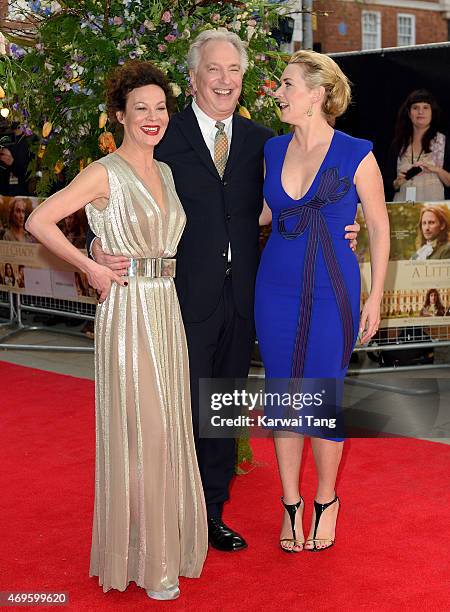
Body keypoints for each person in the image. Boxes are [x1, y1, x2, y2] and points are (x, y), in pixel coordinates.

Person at [87, 28, 361, 552]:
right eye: (213, 69)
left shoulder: (266, 142)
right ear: (192, 79)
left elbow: (297, 200)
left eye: (233, 70)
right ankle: (166, 511)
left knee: (223, 409)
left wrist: (349, 226)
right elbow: (113, 188)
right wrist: (100, 243)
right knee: (174, 406)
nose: (224, 80)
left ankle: (211, 512)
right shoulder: (161, 132)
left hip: (247, 298)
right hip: (178, 296)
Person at [26, 60, 207, 601]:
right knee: (145, 432)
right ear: (121, 116)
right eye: (140, 109)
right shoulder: (104, 172)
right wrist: (93, 266)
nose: (152, 118)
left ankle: (155, 551)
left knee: (169, 428)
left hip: (165, 308)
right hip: (128, 314)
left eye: (159, 108)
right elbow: (39, 220)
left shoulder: (168, 172)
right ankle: (151, 565)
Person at [255, 50, 390, 552]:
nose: (279, 93)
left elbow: (377, 225)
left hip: (334, 288)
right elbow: (265, 214)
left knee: (322, 398)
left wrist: (375, 294)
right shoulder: (271, 150)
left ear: (317, 94)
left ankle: (326, 499)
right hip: (275, 288)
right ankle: (290, 504)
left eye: (287, 84)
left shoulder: (356, 151)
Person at [392, 90, 450, 202]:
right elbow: (387, 183)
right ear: (409, 113)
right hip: (402, 207)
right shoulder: (398, 144)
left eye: (425, 107)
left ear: (432, 112)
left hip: (434, 209)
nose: (420, 112)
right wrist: (397, 183)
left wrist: (436, 170)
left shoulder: (444, 142)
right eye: (415, 108)